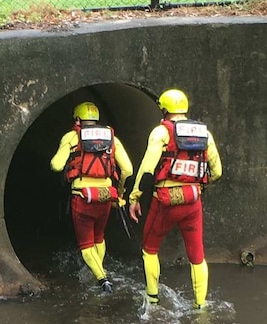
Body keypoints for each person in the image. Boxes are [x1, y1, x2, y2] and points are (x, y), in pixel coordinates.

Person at [128, 88, 223, 309]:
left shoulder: (161, 132)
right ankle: (200, 306)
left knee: (149, 249)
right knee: (197, 256)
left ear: (164, 109)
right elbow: (217, 171)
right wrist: (200, 185)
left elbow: (147, 170)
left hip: (165, 202)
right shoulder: (204, 134)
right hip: (193, 201)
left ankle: (152, 300)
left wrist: (134, 197)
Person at [51, 101, 134, 292]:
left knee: (86, 243)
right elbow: (127, 169)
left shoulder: (72, 137)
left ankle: (102, 279)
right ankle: (100, 268)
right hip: (106, 195)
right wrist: (120, 193)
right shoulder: (112, 138)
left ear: (78, 120)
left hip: (82, 197)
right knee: (99, 237)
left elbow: (56, 165)